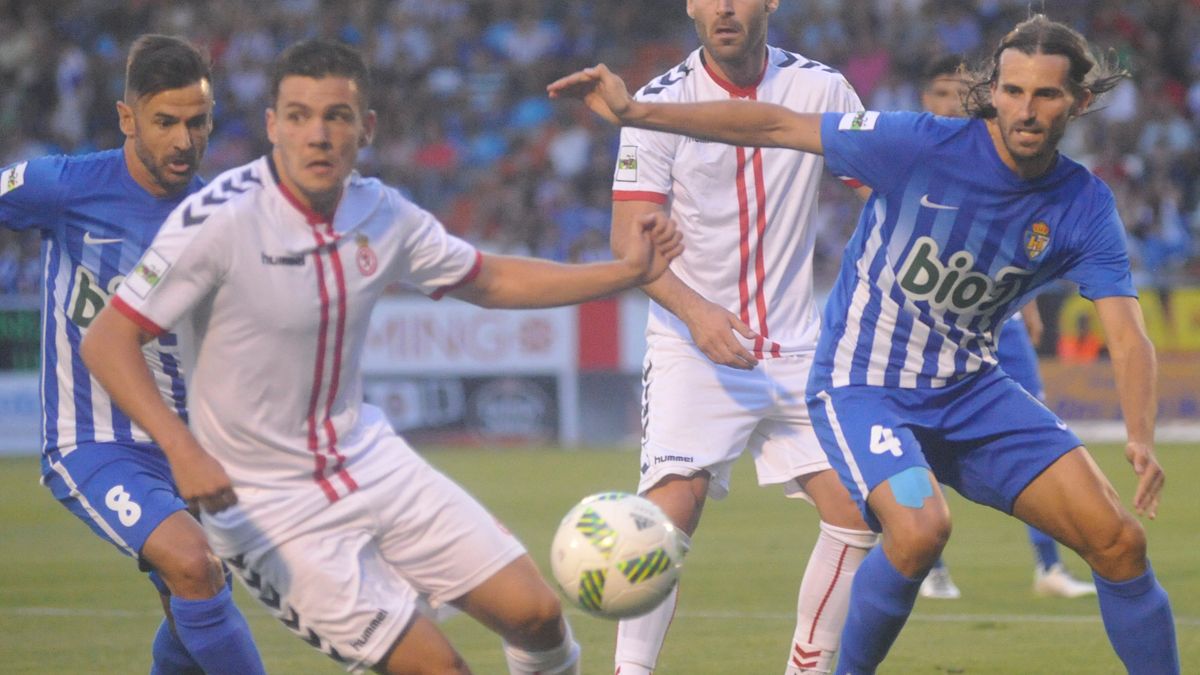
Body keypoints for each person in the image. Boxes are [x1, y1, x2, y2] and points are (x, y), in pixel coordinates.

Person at [549, 14, 1179, 674]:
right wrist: (639, 115)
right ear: (993, 91)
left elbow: (1127, 335)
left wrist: (1139, 435)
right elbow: (768, 128)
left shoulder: (1080, 201)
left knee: (1116, 540)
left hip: (938, 377)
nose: (1027, 109)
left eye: (1046, 95)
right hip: (834, 374)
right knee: (890, 526)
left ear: (1077, 101)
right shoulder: (909, 142)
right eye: (1014, 91)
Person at [81, 39, 682, 675]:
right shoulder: (218, 220)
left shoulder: (380, 211)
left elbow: (492, 280)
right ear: (271, 126)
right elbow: (108, 339)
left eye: (336, 116)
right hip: (268, 508)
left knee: (537, 617)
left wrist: (625, 272)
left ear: (365, 129)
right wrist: (183, 449)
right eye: (298, 115)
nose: (317, 134)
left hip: (368, 459)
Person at [605, 1, 876, 674]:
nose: (725, 6)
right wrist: (696, 312)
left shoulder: (823, 89)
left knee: (858, 512)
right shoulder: (657, 103)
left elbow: (878, 188)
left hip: (800, 345)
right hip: (692, 344)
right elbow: (626, 240)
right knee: (668, 511)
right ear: (691, 6)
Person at [0, 35, 266, 674]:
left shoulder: (220, 219)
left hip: (189, 447)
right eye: (165, 122)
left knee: (196, 596)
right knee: (195, 566)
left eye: (197, 123)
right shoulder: (62, 186)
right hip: (92, 440)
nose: (183, 140)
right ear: (128, 118)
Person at [916, 54, 1096, 601]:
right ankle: (930, 565)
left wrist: (1031, 302)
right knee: (917, 448)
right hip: (929, 325)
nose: (953, 103)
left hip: (1004, 323)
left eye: (961, 92)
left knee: (1037, 434)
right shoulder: (920, 155)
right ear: (927, 100)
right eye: (942, 93)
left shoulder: (999, 151)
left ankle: (1048, 567)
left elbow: (1025, 234)